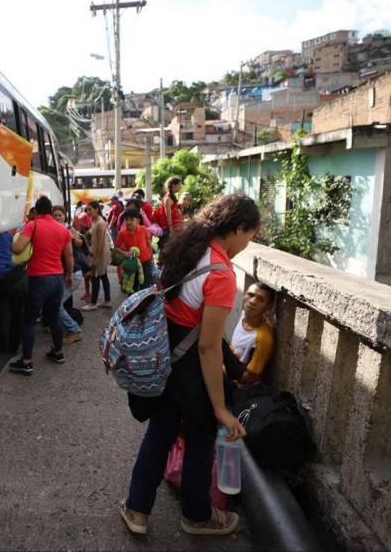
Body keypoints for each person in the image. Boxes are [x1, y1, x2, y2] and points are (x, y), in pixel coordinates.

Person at [119, 193, 261, 536]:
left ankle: (137, 510)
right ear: (238, 228)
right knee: (200, 438)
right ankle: (197, 516)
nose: (248, 244)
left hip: (166, 356)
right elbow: (209, 348)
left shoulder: (188, 248)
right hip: (191, 369)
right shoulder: (222, 273)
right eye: (250, 236)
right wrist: (220, 408)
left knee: (159, 433)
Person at [10, 196, 74, 375]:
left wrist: (12, 238)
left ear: (36, 211)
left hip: (38, 279)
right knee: (53, 317)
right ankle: (58, 352)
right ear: (50, 211)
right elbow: (69, 256)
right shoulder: (62, 229)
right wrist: (68, 274)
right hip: (57, 278)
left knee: (29, 321)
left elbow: (17, 248)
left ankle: (27, 361)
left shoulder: (33, 225)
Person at [230, 282, 276, 385]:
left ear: (269, 306)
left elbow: (251, 378)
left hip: (236, 388)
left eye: (260, 299)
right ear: (244, 295)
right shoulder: (243, 315)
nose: (252, 301)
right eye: (250, 295)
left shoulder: (263, 338)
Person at [52, 205, 84, 344]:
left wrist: (70, 236)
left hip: (72, 273)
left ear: (65, 216)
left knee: (57, 305)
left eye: (60, 215)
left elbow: (79, 243)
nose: (58, 217)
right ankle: (67, 327)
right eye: (55, 215)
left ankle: (74, 329)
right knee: (57, 304)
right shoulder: (53, 230)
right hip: (65, 273)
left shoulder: (68, 229)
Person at [82, 200, 112, 311]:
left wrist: (95, 259)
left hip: (100, 253)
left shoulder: (100, 222)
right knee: (103, 277)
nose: (88, 212)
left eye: (90, 209)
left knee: (95, 277)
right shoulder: (94, 221)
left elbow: (100, 244)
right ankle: (107, 300)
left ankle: (93, 303)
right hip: (97, 252)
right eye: (86, 210)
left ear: (96, 209)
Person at [114, 209, 154, 291]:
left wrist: (152, 258)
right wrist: (124, 253)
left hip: (145, 261)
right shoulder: (122, 233)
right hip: (132, 263)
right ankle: (133, 302)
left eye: (131, 219)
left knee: (145, 286)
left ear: (138, 220)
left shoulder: (143, 230)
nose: (128, 222)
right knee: (132, 287)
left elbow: (148, 244)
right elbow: (116, 247)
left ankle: (145, 303)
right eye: (126, 220)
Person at [156, 176, 184, 254]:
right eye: (179, 185)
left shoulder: (173, 197)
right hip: (169, 229)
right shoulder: (167, 199)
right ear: (173, 185)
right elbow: (168, 215)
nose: (180, 187)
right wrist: (171, 228)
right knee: (167, 250)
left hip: (175, 229)